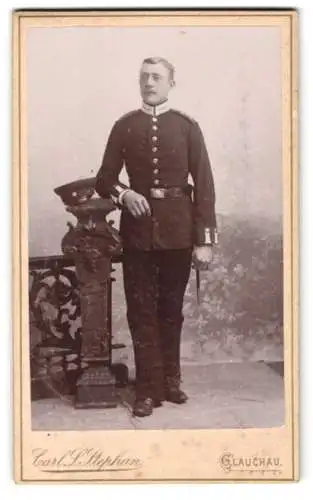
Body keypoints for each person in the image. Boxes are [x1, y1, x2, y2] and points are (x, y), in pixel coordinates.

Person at [95, 56, 218, 417]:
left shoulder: (187, 127)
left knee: (170, 311)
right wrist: (124, 194)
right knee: (141, 311)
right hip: (138, 236)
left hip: (180, 233)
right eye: (144, 77)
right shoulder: (125, 126)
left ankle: (170, 382)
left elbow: (205, 185)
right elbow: (104, 178)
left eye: (156, 77)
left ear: (170, 84)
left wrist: (204, 240)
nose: (149, 83)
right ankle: (147, 389)